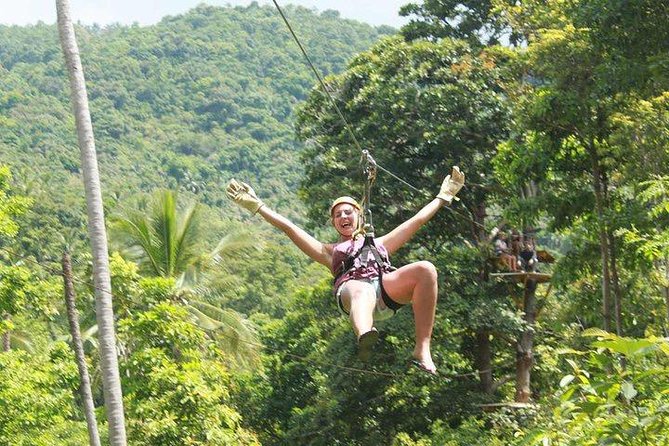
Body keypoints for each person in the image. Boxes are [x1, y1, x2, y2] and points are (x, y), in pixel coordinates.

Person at [226, 167, 464, 375]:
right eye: (338, 215)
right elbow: (289, 227)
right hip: (353, 293)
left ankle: (422, 348)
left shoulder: (380, 243)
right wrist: (257, 206)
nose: (343, 216)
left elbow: (417, 220)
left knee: (426, 269)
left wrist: (444, 196)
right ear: (334, 224)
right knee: (362, 291)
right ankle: (364, 334)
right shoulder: (329, 251)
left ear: (359, 216)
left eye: (348, 212)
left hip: (385, 290)